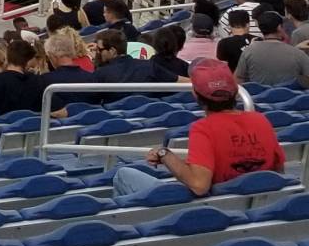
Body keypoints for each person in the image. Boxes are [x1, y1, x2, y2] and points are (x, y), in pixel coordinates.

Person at [115, 58, 283, 201]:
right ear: (235, 91)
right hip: (253, 209)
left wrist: (163, 154)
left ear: (196, 94)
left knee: (123, 175)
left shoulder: (204, 128)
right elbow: (278, 172)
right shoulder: (261, 120)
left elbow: (199, 185)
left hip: (214, 210)